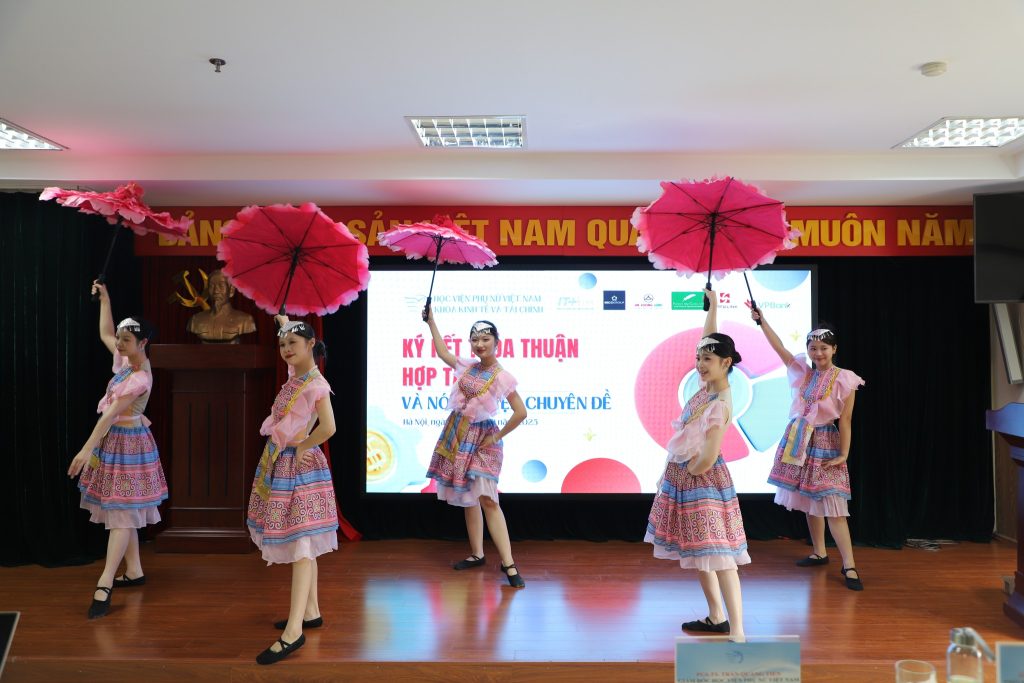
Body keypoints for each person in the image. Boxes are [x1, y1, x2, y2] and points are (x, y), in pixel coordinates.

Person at [646, 287, 749, 640]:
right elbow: (710, 336)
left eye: (708, 359)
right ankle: (716, 616)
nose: (700, 364)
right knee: (698, 551)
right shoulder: (707, 389)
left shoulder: (720, 401)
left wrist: (690, 471)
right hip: (686, 477)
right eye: (698, 358)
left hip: (702, 479)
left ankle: (737, 632)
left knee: (720, 557)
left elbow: (709, 453)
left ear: (726, 363)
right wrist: (713, 307)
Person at [68, 281, 168, 619]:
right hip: (115, 442)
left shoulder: (140, 377)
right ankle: (134, 569)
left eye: (127, 340)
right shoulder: (126, 361)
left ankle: (105, 583)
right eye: (122, 338)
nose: (120, 343)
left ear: (143, 343)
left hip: (130, 445)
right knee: (125, 510)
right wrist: (105, 299)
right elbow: (105, 333)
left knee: (123, 513)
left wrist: (86, 449)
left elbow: (111, 414)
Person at [748, 305, 865, 591]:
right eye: (813, 348)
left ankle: (849, 564)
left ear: (834, 349)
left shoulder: (845, 378)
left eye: (824, 348)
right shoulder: (803, 373)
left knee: (834, 506)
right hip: (800, 439)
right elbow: (780, 349)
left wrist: (843, 454)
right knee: (810, 500)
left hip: (826, 442)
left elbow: (846, 420)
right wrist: (763, 322)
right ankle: (819, 552)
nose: (818, 353)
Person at [246, 316, 338, 664]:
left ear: (311, 344)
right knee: (304, 544)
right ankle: (310, 612)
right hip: (282, 462)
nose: (286, 349)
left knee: (302, 544)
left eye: (292, 344)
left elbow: (329, 427)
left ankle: (294, 631)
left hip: (300, 467)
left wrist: (303, 446)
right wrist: (285, 324)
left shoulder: (315, 384)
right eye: (283, 344)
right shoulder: (295, 378)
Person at [422, 304, 528, 588]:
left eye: (485, 339)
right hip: (458, 434)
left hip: (482, 440)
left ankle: (509, 564)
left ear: (496, 342)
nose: (480, 344)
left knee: (488, 499)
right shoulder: (469, 366)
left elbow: (521, 412)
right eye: (475, 339)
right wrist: (431, 322)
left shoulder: (502, 376)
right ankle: (477, 553)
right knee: (469, 496)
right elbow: (443, 354)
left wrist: (497, 435)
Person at [185, 269, 256, 343]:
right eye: (212, 286)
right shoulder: (195, 320)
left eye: (221, 285)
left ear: (231, 290)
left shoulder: (246, 321)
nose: (216, 291)